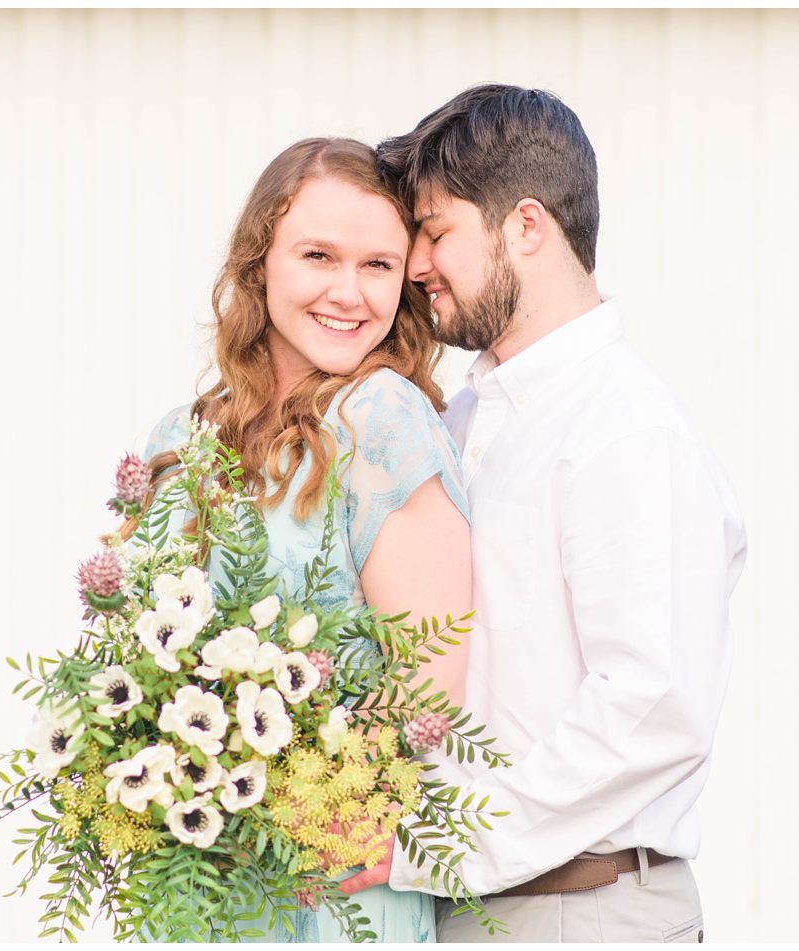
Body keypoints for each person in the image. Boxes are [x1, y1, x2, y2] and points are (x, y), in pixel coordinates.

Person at [336, 84, 747, 943]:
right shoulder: (460, 422)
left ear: (527, 225)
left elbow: (651, 707)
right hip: (467, 909)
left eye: (437, 232)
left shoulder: (626, 432)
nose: (415, 267)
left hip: (583, 912)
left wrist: (425, 844)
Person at [137, 136, 475, 943]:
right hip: (195, 877)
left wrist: (294, 798)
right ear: (260, 262)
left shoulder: (383, 419)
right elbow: (138, 647)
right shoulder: (180, 439)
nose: (347, 292)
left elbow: (434, 681)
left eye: (378, 266)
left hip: (328, 890)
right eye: (318, 255)